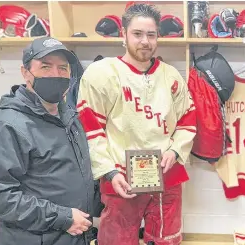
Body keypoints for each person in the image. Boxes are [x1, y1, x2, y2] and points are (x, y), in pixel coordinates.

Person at [76, 3, 197, 245]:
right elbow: (90, 129)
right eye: (138, 34)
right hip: (121, 176)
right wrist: (109, 171)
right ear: (124, 34)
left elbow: (188, 119)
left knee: (166, 239)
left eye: (151, 35)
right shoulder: (102, 74)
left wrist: (175, 150)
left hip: (166, 175)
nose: (145, 41)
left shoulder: (171, 75)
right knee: (117, 240)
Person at [0, 37, 95, 245]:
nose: (56, 75)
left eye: (62, 68)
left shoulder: (70, 118)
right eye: (45, 67)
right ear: (26, 73)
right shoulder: (5, 126)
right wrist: (64, 218)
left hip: (74, 237)